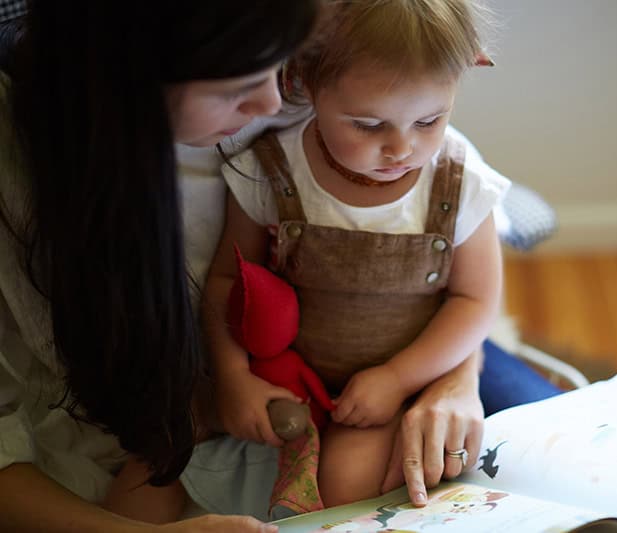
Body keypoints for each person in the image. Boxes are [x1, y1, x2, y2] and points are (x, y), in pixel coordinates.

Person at [0, 1, 491, 530]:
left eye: (282, 67)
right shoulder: (34, 176)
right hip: (229, 391)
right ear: (130, 79)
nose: (275, 101)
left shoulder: (328, 71)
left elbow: (463, 280)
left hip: (416, 358)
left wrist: (454, 378)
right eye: (235, 87)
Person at [203, 0, 505, 510]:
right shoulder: (272, 170)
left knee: (347, 485)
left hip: (403, 382)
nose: (401, 148)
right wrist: (233, 378)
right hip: (291, 378)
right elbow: (228, 285)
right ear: (303, 83)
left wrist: (397, 378)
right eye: (367, 125)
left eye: (430, 120)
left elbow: (477, 301)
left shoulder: (460, 183)